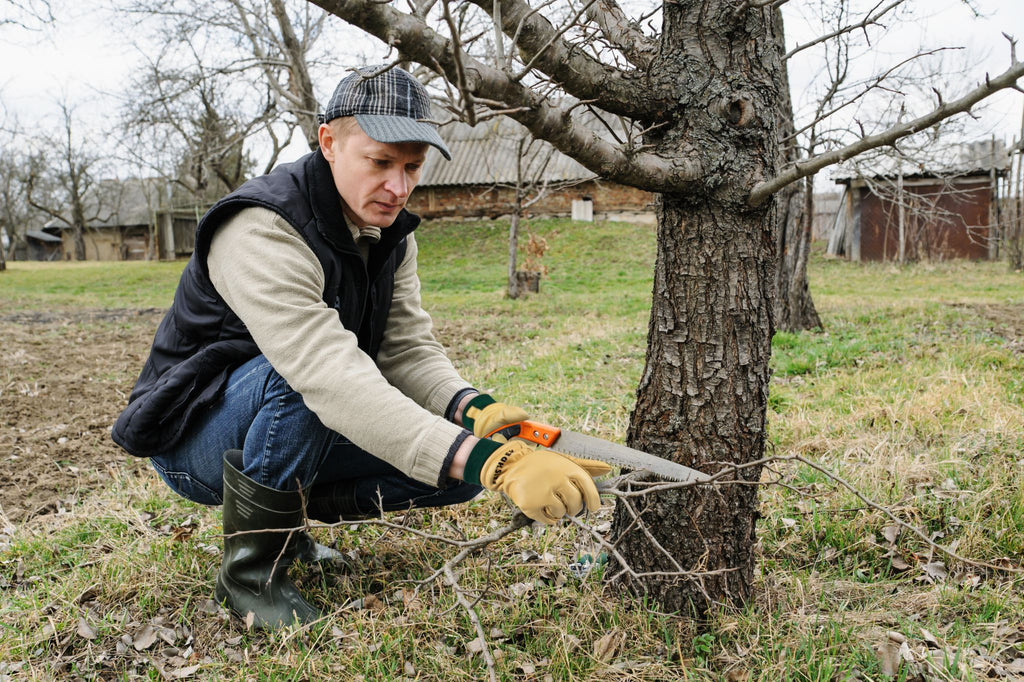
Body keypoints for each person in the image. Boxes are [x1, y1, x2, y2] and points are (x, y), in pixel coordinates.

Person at [111, 65, 610, 629]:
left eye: (412, 167)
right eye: (380, 162)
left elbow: (406, 349)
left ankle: (289, 527)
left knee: (447, 471)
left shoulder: (390, 232)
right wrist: (493, 464)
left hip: (297, 411)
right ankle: (252, 573)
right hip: (194, 438)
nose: (398, 186)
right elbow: (326, 372)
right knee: (306, 380)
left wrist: (473, 411)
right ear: (329, 142)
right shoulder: (260, 227)